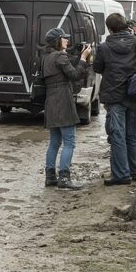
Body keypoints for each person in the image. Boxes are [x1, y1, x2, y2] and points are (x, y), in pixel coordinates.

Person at [92, 13, 136, 186]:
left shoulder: (104, 47)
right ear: (126, 25)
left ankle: (121, 175)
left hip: (114, 96)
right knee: (133, 134)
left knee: (117, 135)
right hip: (135, 93)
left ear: (109, 29)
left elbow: (97, 68)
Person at [41, 28, 92, 190]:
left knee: (55, 141)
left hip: (51, 99)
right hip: (62, 98)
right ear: (57, 41)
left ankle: (50, 176)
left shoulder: (47, 57)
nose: (67, 41)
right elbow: (75, 75)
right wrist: (83, 58)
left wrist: (78, 57)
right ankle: (64, 178)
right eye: (64, 38)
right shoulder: (60, 56)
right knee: (69, 141)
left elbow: (66, 70)